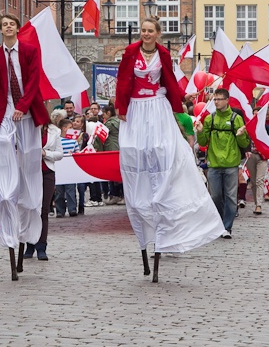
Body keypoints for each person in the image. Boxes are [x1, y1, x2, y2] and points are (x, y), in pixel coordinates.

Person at [115, 17, 225, 282]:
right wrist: (121, 108)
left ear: (158, 34)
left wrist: (180, 99)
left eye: (150, 31)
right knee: (135, 151)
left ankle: (166, 195)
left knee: (163, 151)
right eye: (143, 30)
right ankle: (143, 202)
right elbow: (122, 81)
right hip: (136, 108)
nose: (146, 34)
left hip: (157, 106)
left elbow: (169, 80)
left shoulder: (164, 54)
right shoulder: (131, 52)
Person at [0, 13, 49, 279]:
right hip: (4, 114)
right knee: (3, 155)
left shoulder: (29, 50)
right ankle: (5, 195)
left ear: (17, 28)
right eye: (3, 25)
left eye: (11, 24)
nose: (8, 27)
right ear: (0, 30)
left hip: (27, 113)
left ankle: (28, 217)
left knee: (29, 164)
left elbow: (34, 81)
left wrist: (23, 107)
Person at [195, 88, 248, 239]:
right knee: (216, 196)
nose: (216, 102)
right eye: (215, 99)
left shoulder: (236, 118)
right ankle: (218, 223)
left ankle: (227, 227)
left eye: (219, 99)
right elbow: (204, 142)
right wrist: (200, 131)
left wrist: (240, 135)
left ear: (226, 100)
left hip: (231, 163)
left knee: (231, 197)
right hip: (214, 163)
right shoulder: (209, 119)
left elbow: (244, 142)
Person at [24, 109, 66, 261]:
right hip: (30, 173)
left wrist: (45, 153)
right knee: (30, 208)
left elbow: (60, 154)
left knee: (43, 209)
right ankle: (29, 243)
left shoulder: (54, 131)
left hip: (47, 172)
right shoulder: (26, 129)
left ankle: (41, 246)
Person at [95, 104, 123, 205]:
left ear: (109, 113)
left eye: (103, 113)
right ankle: (119, 195)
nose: (102, 115)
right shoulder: (118, 121)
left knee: (114, 174)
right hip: (118, 148)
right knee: (118, 174)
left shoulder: (110, 124)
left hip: (111, 148)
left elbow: (100, 136)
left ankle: (117, 195)